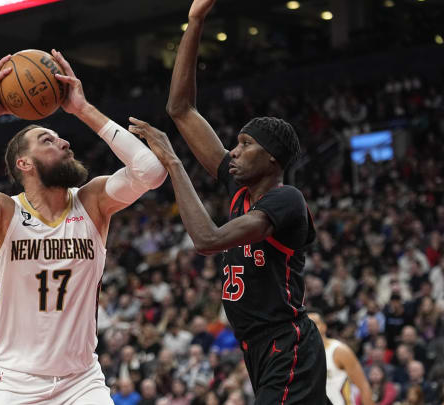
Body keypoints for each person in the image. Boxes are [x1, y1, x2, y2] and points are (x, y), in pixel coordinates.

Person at [127, 0, 329, 403]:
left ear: (271, 158)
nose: (232, 151)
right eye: (234, 143)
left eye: (245, 144)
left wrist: (172, 162)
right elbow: (180, 109)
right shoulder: (240, 190)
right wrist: (196, 20)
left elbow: (207, 240)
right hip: (258, 350)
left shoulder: (285, 200)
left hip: (288, 346)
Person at [0, 50, 167, 404]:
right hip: (12, 380)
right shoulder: (3, 213)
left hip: (81, 380)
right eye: (47, 140)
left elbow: (151, 172)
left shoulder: (92, 203)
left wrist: (82, 108)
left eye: (61, 138)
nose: (64, 142)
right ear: (23, 163)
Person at [308, 310, 374, 405]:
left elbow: (363, 386)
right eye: (308, 324)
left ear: (324, 327)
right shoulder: (301, 355)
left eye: (315, 323)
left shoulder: (339, 351)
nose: (311, 327)